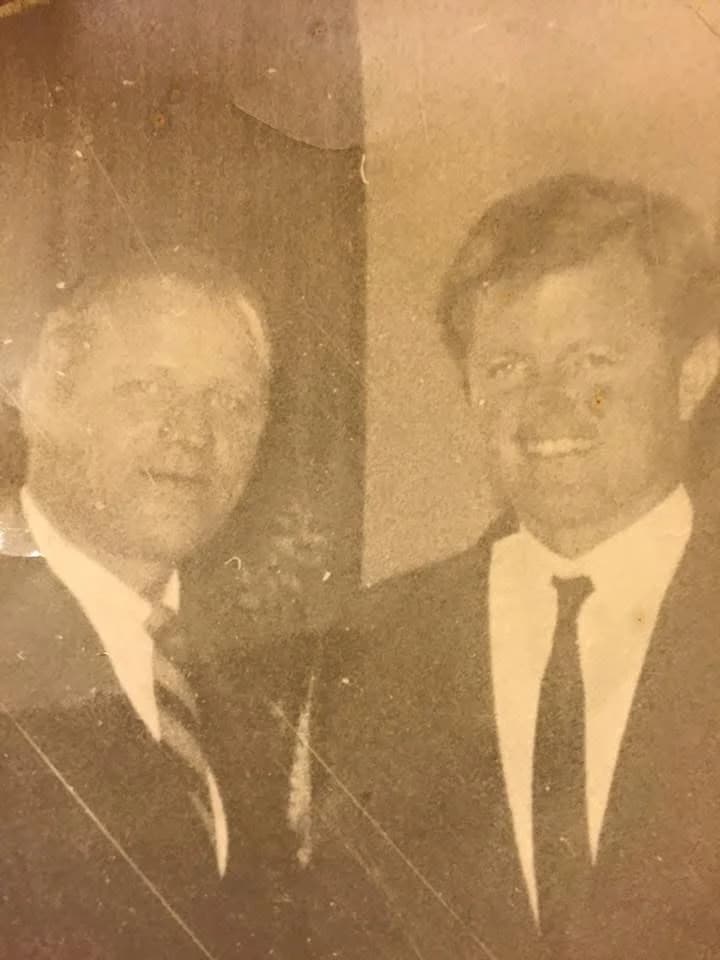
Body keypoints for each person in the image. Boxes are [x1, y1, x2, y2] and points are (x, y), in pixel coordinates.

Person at [305, 174, 720, 960]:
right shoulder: (380, 645)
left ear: (692, 375)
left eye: (591, 363)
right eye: (507, 369)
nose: (547, 407)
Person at [0, 250, 311, 959]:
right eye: (147, 388)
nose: (193, 432)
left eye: (230, 401)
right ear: (42, 398)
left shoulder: (258, 664)